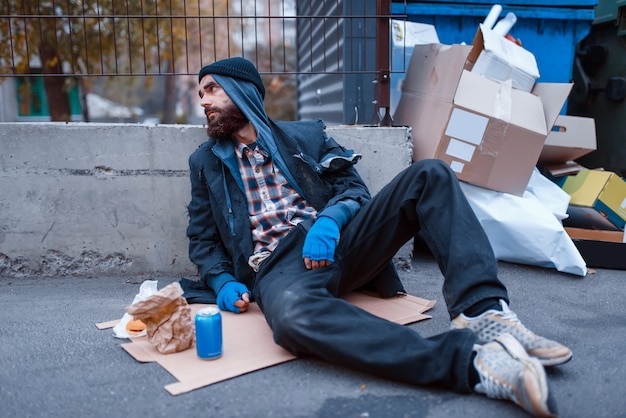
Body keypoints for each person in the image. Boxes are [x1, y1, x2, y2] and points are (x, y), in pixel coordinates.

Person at [182, 57, 572, 417]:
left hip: (341, 241)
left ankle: (485, 314)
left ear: (242, 89)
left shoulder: (305, 136)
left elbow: (353, 190)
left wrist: (330, 221)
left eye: (212, 88)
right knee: (293, 321)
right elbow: (202, 239)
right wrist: (222, 280)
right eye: (201, 93)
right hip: (279, 268)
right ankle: (473, 364)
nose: (204, 100)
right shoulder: (205, 163)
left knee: (430, 175)